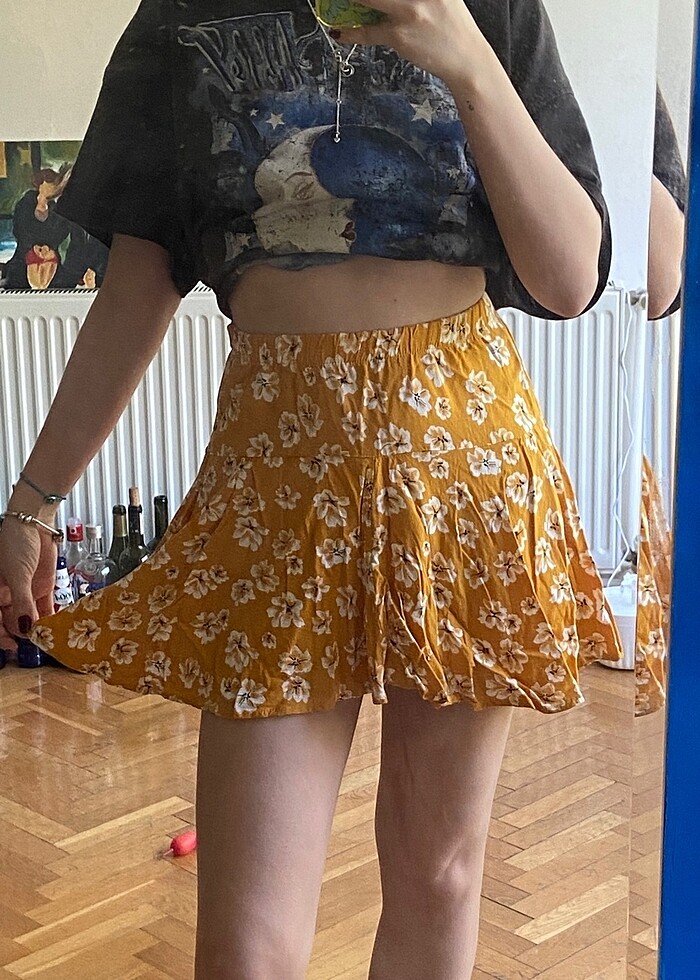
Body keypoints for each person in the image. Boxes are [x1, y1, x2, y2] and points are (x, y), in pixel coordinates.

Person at [0, 1, 624, 977]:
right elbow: (133, 291)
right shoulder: (181, 16)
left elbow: (570, 276)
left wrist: (467, 58)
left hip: (463, 482)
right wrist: (32, 503)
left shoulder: (485, 6)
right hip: (273, 485)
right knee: (245, 944)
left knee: (438, 873)